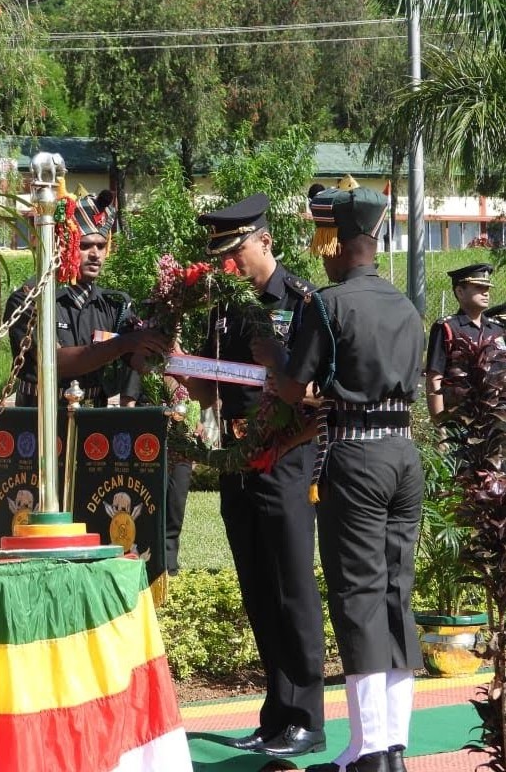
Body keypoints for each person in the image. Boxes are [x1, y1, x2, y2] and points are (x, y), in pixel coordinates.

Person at [252, 186, 424, 772]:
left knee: (357, 598)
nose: (319, 253)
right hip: (404, 453)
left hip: (355, 456)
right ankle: (393, 744)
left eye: (322, 241)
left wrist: (272, 359)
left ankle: (366, 750)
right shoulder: (406, 305)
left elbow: (295, 387)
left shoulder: (330, 302)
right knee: (396, 593)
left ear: (339, 242)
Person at [179, 192, 326, 760]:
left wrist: (278, 365)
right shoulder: (224, 307)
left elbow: (318, 396)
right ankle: (275, 715)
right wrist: (179, 365)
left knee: (292, 589)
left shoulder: (303, 302)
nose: (229, 265)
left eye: (236, 251)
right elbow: (210, 388)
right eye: (223, 255)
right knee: (258, 592)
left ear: (264, 241)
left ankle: (307, 717)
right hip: (238, 460)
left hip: (286, 459)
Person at [4, 189, 170, 408]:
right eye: (85, 246)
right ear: (63, 246)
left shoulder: (114, 305)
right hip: (41, 417)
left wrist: (165, 334)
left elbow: (138, 360)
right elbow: (54, 363)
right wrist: (123, 343)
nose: (96, 254)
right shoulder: (30, 299)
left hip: (95, 423)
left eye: (101, 246)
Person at [426, 263, 505, 423]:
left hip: (495, 420)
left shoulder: (496, 329)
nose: (485, 293)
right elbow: (434, 377)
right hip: (460, 419)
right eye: (478, 287)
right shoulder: (447, 327)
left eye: (487, 288)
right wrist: (439, 424)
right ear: (460, 292)